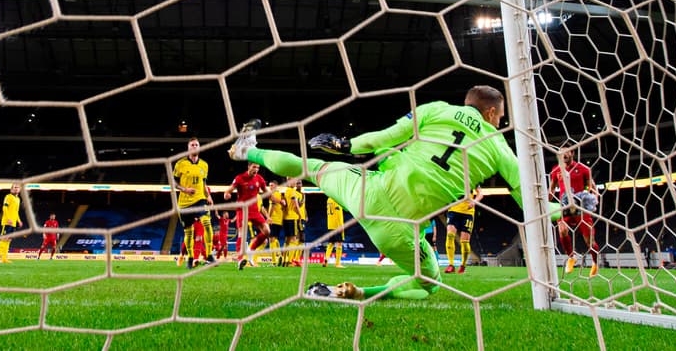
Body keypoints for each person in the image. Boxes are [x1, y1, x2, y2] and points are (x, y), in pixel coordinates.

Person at [229, 84, 561, 302]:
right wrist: (565, 209)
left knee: (309, 166)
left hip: (367, 191)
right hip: (397, 230)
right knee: (427, 284)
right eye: (501, 117)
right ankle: (357, 293)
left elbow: (382, 138)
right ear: (491, 113)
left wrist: (346, 145)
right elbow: (530, 201)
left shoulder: (438, 109)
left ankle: (249, 151)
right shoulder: (498, 145)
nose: (501, 122)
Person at [548, 147, 599, 277]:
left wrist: (594, 199)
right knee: (562, 230)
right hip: (565, 206)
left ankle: (595, 263)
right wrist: (545, 204)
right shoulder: (556, 170)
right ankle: (571, 257)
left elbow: (592, 187)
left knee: (589, 241)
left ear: (572, 153)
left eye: (566, 152)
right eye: (561, 153)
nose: (564, 155)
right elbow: (552, 189)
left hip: (580, 207)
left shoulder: (583, 169)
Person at [172, 137, 215, 268]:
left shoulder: (204, 165)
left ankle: (209, 255)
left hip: (200, 199)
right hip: (184, 203)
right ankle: (190, 258)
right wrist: (184, 189)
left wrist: (208, 196)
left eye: (197, 144)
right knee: (189, 233)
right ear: (188, 148)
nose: (195, 146)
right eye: (192, 145)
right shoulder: (180, 164)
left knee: (207, 222)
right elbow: (173, 183)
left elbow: (204, 182)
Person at [223, 161, 271, 268]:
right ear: (249, 167)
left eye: (258, 168)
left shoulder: (259, 179)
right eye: (254, 167)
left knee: (267, 231)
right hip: (242, 210)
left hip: (255, 211)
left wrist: (276, 199)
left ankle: (251, 250)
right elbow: (228, 191)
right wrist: (227, 195)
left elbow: (267, 193)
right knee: (242, 234)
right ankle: (240, 259)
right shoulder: (240, 178)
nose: (256, 169)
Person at [443, 188, 480, 274]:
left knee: (465, 241)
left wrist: (474, 202)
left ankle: (463, 265)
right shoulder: (452, 177)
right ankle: (451, 265)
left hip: (468, 213)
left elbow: (480, 193)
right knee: (450, 236)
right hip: (453, 211)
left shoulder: (472, 178)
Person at [0, 183, 22, 264]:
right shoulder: (8, 196)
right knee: (3, 239)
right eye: (14, 187)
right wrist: (8, 218)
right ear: (11, 189)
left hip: (13, 223)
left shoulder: (18, 199)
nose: (16, 189)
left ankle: (4, 258)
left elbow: (16, 211)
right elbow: (4, 207)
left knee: (8, 240)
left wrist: (19, 220)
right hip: (7, 222)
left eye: (17, 187)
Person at [325, 195, 346, 268]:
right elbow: (338, 215)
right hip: (337, 225)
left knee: (331, 243)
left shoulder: (329, 199)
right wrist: (341, 226)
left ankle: (326, 259)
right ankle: (337, 263)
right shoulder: (337, 200)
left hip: (330, 224)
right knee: (339, 244)